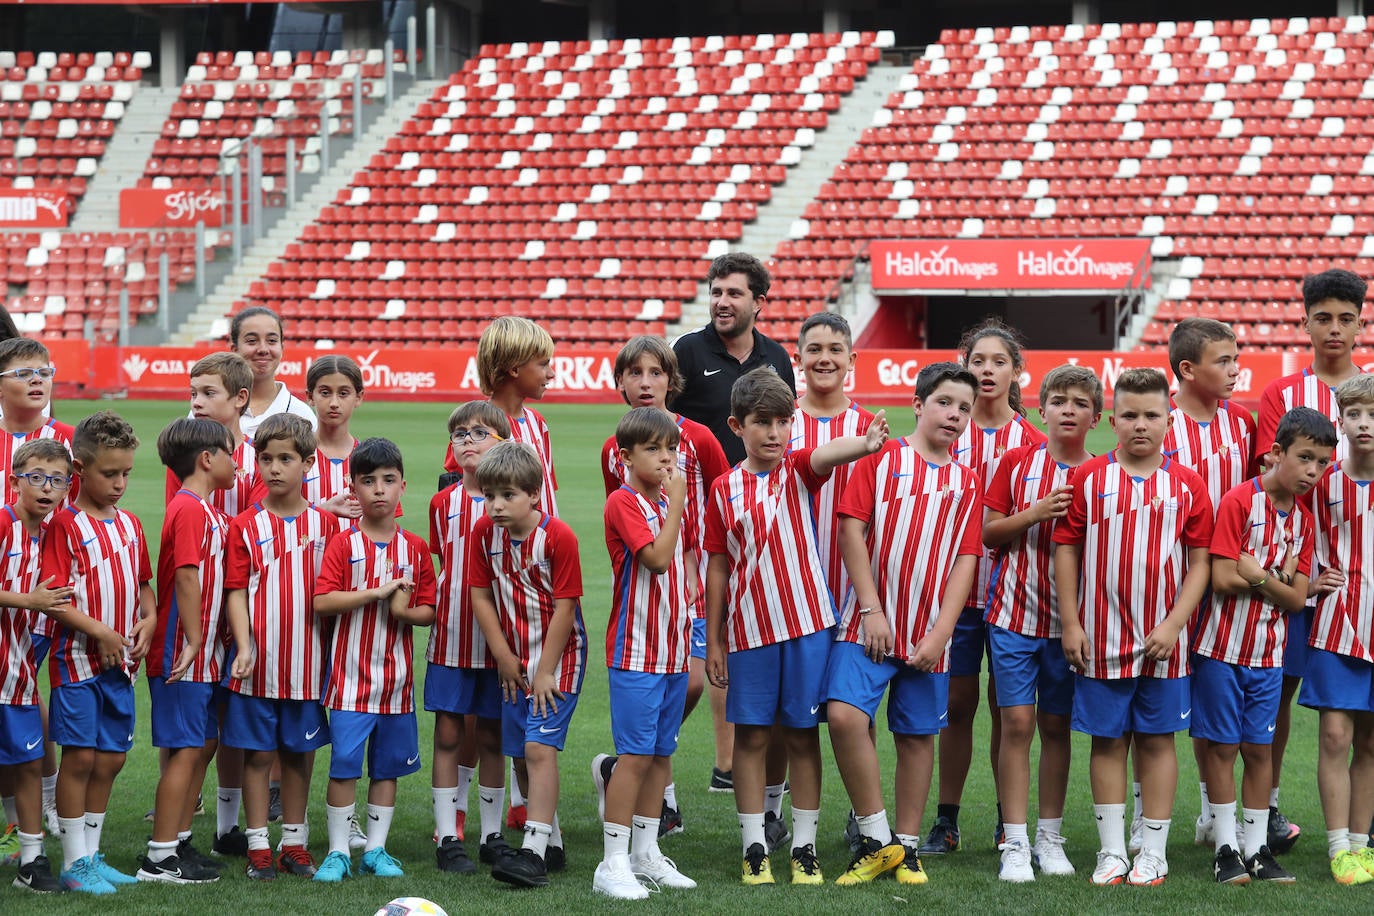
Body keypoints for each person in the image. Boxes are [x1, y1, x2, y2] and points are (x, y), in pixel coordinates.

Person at [704, 367, 888, 886]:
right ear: (737, 426)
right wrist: (715, 639)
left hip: (808, 625)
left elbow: (826, 455)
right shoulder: (723, 490)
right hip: (749, 634)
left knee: (805, 737)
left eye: (784, 422)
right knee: (753, 737)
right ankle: (754, 846)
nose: (775, 433)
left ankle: (804, 849)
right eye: (763, 423)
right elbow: (718, 566)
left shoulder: (797, 470)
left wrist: (865, 443)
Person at [1054, 368, 1214, 887]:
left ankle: (1154, 851)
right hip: (1099, 636)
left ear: (1169, 419)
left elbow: (1200, 564)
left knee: (1157, 741)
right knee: (1106, 741)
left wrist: (1173, 625)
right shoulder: (1089, 478)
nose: (1140, 425)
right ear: (1112, 419)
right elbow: (1067, 550)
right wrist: (1072, 622)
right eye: (1129, 415)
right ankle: (1112, 851)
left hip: (1164, 642)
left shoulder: (1187, 484)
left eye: (1151, 415)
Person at [826, 362, 980, 887]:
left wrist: (941, 634)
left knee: (917, 736)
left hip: (929, 634)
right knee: (845, 717)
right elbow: (851, 530)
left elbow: (965, 560)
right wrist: (871, 607)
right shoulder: (881, 459)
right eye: (944, 403)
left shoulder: (967, 481)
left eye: (964, 408)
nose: (954, 414)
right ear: (918, 405)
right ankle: (875, 836)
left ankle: (907, 847)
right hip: (870, 623)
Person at [671, 252, 795, 798]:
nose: (722, 301)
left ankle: (741, 764)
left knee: (755, 638)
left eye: (734, 293)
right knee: (703, 647)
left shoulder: (776, 357)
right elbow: (660, 429)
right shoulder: (688, 352)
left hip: (761, 522)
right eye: (716, 291)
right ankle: (683, 761)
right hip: (694, 525)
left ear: (758, 302)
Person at [922, 319, 1045, 857]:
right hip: (957, 593)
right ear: (964, 366)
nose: (988, 370)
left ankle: (1006, 821)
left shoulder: (1035, 441)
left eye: (999, 361)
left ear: (1018, 371)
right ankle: (946, 820)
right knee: (956, 703)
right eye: (978, 361)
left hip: (1017, 597)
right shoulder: (950, 428)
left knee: (1010, 710)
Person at [1194, 407, 1332, 885]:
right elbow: (1220, 578)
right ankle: (1226, 847)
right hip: (1221, 652)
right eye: (1305, 458)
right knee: (1223, 749)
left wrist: (1259, 574)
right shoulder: (1238, 502)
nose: (1312, 472)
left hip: (1268, 657)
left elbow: (1295, 599)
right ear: (1276, 454)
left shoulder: (1304, 521)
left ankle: (1257, 850)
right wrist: (1275, 577)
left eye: (1322, 463)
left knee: (1260, 752)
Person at [597, 336, 728, 836]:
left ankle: (649, 782)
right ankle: (661, 800)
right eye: (635, 373)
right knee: (659, 702)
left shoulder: (699, 437)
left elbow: (721, 496)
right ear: (621, 383)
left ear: (672, 382)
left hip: (693, 580)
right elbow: (625, 520)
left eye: (655, 372)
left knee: (693, 680)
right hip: (651, 586)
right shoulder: (615, 448)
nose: (645, 382)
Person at [1255, 268, 1367, 853]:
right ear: (1305, 322)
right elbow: (1269, 482)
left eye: (1345, 319)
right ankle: (1267, 806)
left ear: (1360, 324)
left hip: (1355, 582)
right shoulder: (1282, 395)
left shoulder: (1370, 392)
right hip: (1294, 576)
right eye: (1322, 318)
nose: (1334, 329)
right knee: (1278, 690)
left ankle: (1359, 829)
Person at [983, 365, 1103, 881]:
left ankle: (1050, 837)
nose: (1068, 410)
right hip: (1014, 616)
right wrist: (1033, 514)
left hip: (1070, 625)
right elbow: (988, 532)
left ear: (1096, 417)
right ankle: (1014, 840)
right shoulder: (1017, 461)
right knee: (1016, 723)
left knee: (1056, 728)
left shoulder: (1102, 472)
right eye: (1058, 400)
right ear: (1042, 408)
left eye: (1079, 402)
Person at [222, 414, 341, 881]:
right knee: (257, 755)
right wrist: (245, 644)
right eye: (265, 458)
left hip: (308, 663)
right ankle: (257, 846)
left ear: (307, 464)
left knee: (299, 754)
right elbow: (236, 590)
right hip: (259, 664)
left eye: (285, 459)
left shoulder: (327, 525)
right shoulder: (245, 525)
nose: (274, 468)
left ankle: (294, 841)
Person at [312, 438, 436, 883]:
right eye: (368, 482)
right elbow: (322, 601)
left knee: (388, 768)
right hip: (348, 682)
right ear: (354, 489)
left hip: (397, 684)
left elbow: (429, 609)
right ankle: (338, 851)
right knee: (344, 765)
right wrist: (375, 593)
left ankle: (376, 850)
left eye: (388, 480)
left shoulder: (417, 549)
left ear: (404, 486)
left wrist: (403, 611)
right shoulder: (344, 544)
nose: (379, 490)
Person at [42, 411, 155, 894]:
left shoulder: (130, 524)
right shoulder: (64, 526)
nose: (120, 483)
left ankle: (92, 852)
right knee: (81, 759)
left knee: (111, 760)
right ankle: (73, 863)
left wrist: (147, 619)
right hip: (78, 662)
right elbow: (54, 597)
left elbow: (143, 586)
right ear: (80, 469)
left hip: (122, 667)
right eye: (110, 474)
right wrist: (102, 633)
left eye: (126, 473)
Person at [1157, 317, 1257, 854]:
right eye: (1224, 361)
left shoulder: (1242, 423)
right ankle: (1145, 819)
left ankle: (1209, 813)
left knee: (1216, 703)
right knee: (1156, 704)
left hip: (1228, 584)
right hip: (1169, 583)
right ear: (1188, 369)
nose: (1235, 371)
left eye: (1236, 360)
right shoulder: (1160, 423)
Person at [469, 440, 587, 889]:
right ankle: (553, 844)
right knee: (519, 753)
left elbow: (565, 607)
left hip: (559, 660)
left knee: (539, 749)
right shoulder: (484, 535)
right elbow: (481, 596)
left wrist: (545, 670)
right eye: (489, 495)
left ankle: (533, 851)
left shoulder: (558, 536)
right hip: (513, 662)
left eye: (507, 495)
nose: (496, 505)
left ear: (535, 495)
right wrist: (502, 655)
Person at [593, 407, 697, 899]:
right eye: (652, 449)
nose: (665, 458)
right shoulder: (624, 501)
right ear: (625, 456)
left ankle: (646, 853)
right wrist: (677, 503)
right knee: (634, 757)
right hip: (636, 650)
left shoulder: (667, 502)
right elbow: (655, 560)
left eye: (670, 449)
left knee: (659, 756)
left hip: (674, 648)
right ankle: (612, 863)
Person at [137, 418, 239, 886]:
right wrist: (196, 639)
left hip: (199, 652)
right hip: (182, 651)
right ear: (207, 458)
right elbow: (185, 576)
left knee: (202, 743)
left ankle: (177, 841)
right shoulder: (190, 509)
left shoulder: (207, 510)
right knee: (185, 750)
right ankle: (158, 857)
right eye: (230, 452)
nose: (236, 462)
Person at [427, 401, 511, 873]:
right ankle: (446, 834)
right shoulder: (443, 503)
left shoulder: (512, 500)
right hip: (451, 637)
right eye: (459, 434)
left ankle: (493, 834)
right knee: (449, 732)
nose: (466, 441)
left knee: (494, 735)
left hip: (498, 639)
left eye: (479, 433)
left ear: (503, 442)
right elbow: (445, 564)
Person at [0, 337, 75, 842]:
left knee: (36, 698)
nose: (36, 379)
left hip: (56, 592)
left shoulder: (69, 438)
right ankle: (17, 818)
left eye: (44, 371)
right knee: (17, 699)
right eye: (24, 372)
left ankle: (48, 801)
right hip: (7, 595)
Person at [1302, 375, 1374, 884]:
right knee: (1334, 734)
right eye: (1354, 415)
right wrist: (1307, 580)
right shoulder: (1321, 481)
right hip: (1336, 623)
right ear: (1340, 421)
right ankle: (1338, 847)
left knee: (1370, 742)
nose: (1364, 423)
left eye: (1373, 414)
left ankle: (1362, 841)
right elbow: (1292, 535)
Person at [227, 306, 316, 437]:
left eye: (272, 341)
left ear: (282, 348)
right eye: (252, 341)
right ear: (235, 350)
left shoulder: (301, 414)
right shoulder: (211, 407)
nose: (263, 349)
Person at [304, 355, 365, 519]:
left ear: (358, 397)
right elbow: (277, 519)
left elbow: (385, 525)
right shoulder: (294, 456)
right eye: (325, 393)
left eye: (343, 393)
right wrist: (323, 511)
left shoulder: (371, 458)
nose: (334, 403)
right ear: (310, 397)